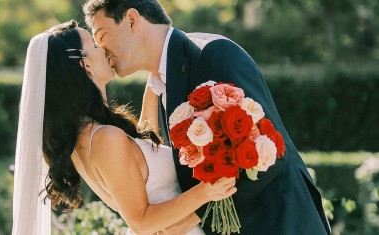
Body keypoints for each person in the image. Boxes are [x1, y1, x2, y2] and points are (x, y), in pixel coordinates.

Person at [83, 0, 331, 234]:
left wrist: (193, 216)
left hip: (279, 222)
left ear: (131, 20)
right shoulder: (160, 84)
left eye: (102, 37)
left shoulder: (211, 53)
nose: (101, 51)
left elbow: (270, 155)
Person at [11, 20, 236, 235]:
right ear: (85, 64)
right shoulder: (105, 138)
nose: (105, 50)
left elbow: (141, 161)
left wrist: (154, 81)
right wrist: (206, 191)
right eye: (95, 44)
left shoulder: (86, 135)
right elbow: (141, 221)